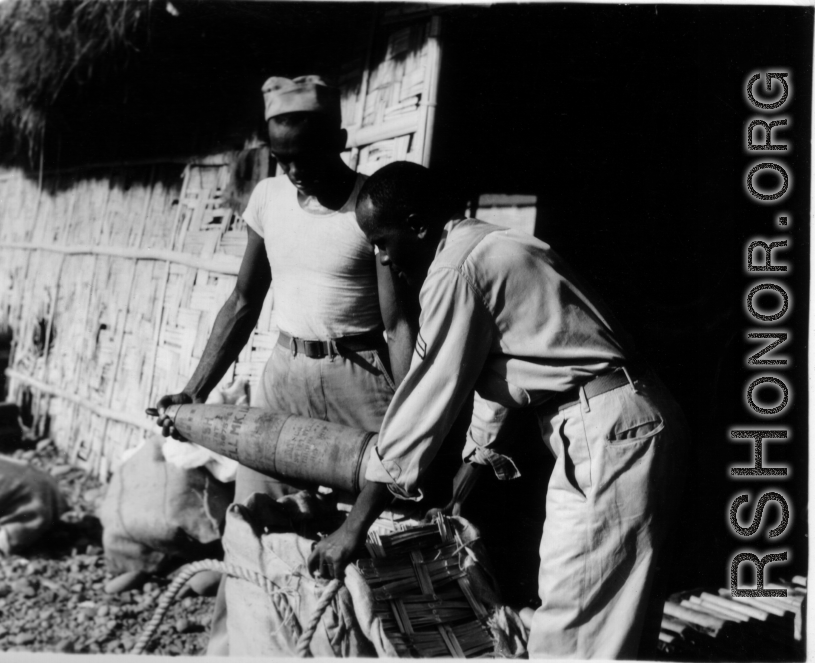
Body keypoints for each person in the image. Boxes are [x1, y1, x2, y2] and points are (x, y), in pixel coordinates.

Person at [308, 161, 688, 659]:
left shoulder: (455, 270)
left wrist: (354, 526)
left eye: (382, 241)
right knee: (617, 624)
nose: (381, 257)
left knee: (573, 629)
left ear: (418, 226)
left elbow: (424, 402)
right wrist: (473, 471)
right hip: (634, 417)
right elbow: (506, 372)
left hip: (609, 430)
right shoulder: (489, 244)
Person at [154, 77, 417, 655]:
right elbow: (243, 303)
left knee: (380, 523)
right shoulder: (269, 199)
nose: (294, 171)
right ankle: (241, 647)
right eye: (282, 158)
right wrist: (192, 392)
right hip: (286, 373)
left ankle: (366, 644)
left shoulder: (369, 205)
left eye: (306, 156)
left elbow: (398, 325)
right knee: (252, 522)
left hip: (362, 377)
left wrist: (407, 410)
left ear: (341, 140)